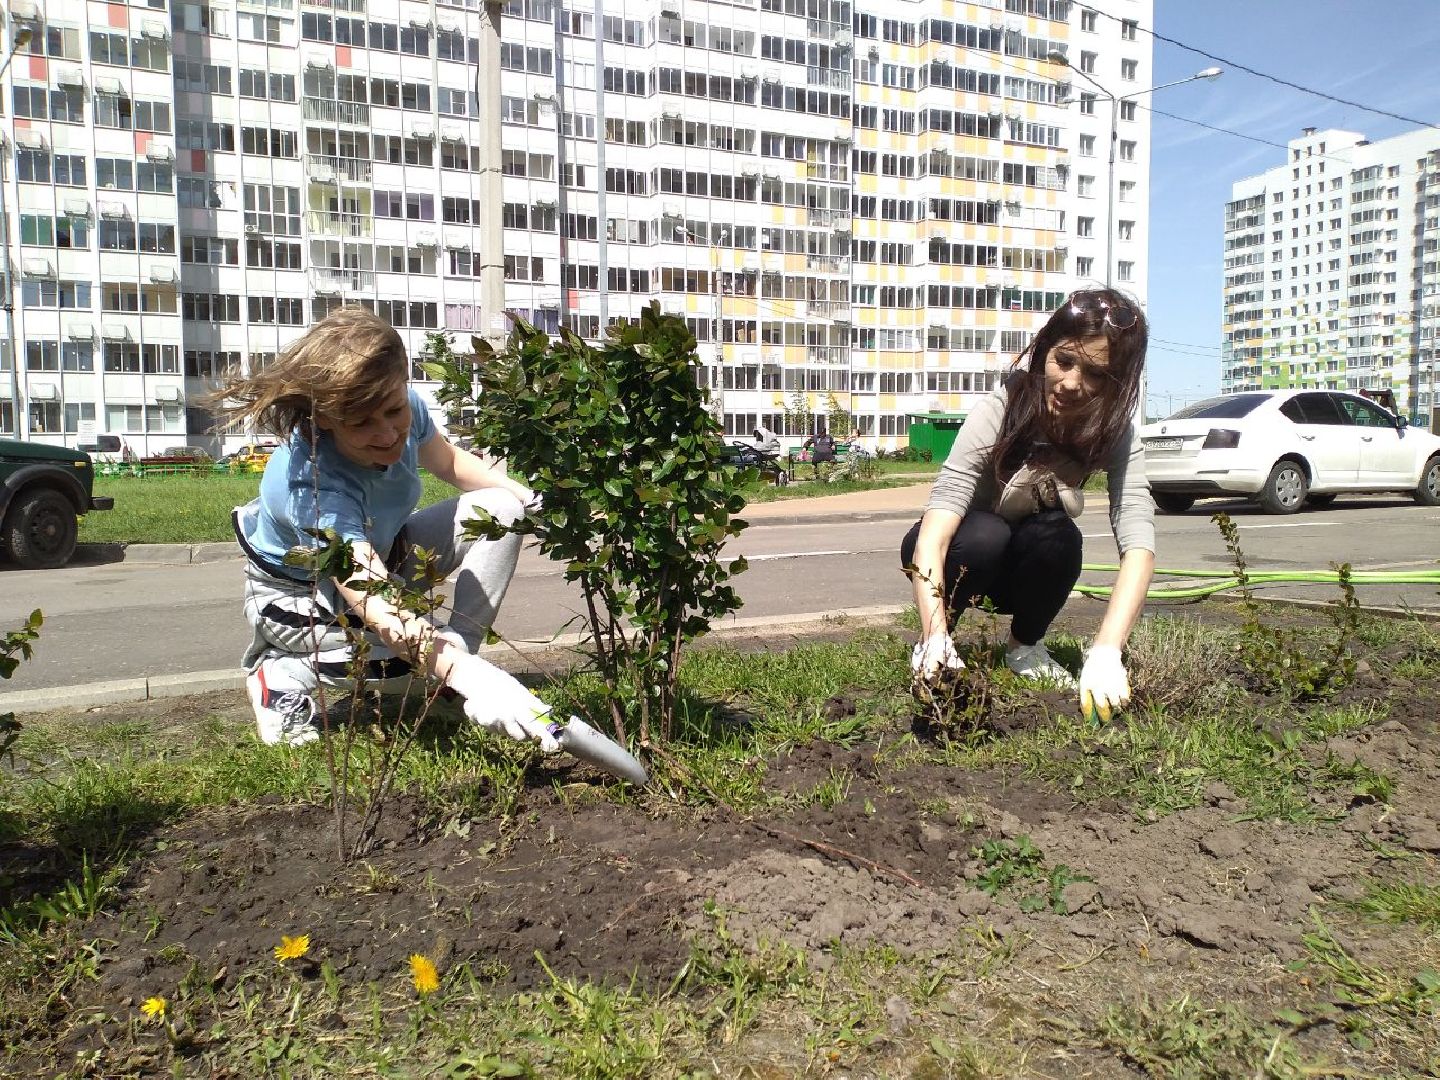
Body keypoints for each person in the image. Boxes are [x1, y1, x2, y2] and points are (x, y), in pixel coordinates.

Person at [217, 307, 559, 749]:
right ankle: (281, 674)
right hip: (301, 592)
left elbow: (450, 462)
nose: (387, 433)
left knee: (501, 509)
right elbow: (373, 598)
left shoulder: (398, 403)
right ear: (324, 417)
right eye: (361, 423)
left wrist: (522, 494)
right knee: (404, 663)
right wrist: (477, 679)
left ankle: (453, 670)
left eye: (394, 410)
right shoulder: (312, 487)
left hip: (386, 550)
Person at [900, 289, 1155, 721]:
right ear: (1041, 353)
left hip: (1023, 564)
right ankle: (939, 646)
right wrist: (934, 635)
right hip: (962, 554)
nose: (1072, 383)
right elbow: (936, 526)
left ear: (1118, 380)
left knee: (1059, 535)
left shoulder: (1115, 433)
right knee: (985, 535)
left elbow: (1138, 541)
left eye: (1095, 373)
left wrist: (1108, 649)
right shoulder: (1000, 410)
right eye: (1064, 361)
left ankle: (1025, 647)